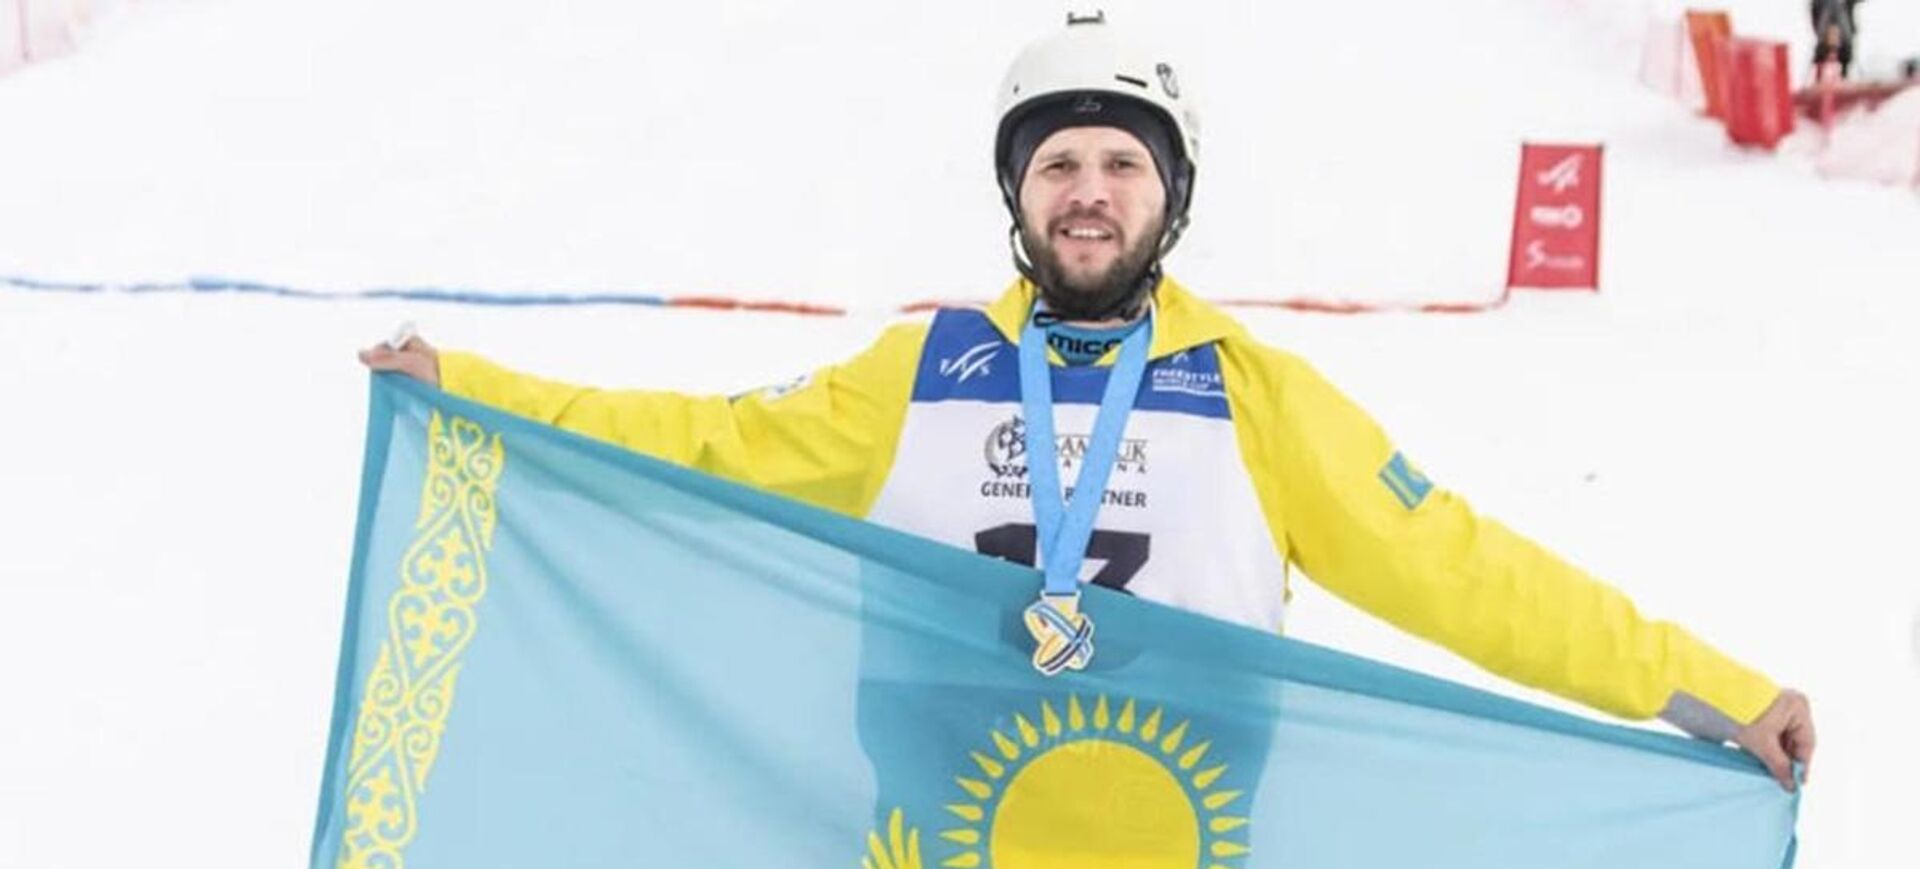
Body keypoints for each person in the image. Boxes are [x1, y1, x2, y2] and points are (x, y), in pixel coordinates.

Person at [360, 13, 1814, 790]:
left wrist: (1713, 692)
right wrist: (468, 396)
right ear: (1017, 195)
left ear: (1170, 196)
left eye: (1122, 164)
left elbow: (1466, 573)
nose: (1089, 192)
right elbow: (697, 448)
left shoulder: (1251, 396)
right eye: (1056, 165)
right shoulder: (921, 374)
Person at [1811, 0, 1864, 79]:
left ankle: (1843, 76)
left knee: (1845, 53)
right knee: (1823, 53)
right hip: (1827, 34)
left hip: (1842, 37)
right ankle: (1819, 77)